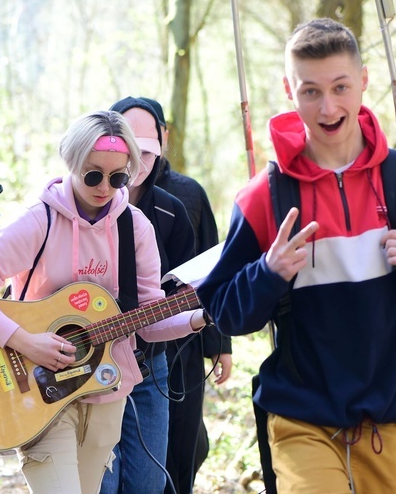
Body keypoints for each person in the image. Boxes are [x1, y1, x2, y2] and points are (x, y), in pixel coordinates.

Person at [197, 18, 396, 493]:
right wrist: (267, 272)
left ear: (363, 81)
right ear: (288, 90)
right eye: (310, 91)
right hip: (302, 416)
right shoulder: (264, 197)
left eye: (341, 87)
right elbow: (223, 309)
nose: (328, 107)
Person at [0, 110, 210, 494]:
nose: (105, 187)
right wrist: (24, 339)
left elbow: (147, 319)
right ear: (71, 163)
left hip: (105, 390)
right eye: (93, 174)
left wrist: (197, 319)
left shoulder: (135, 227)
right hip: (36, 386)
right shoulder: (39, 220)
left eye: (118, 177)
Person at [99, 97, 197, 493]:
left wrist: (209, 331)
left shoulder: (173, 210)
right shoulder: (71, 208)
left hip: (151, 361)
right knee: (101, 481)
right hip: (89, 366)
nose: (138, 160)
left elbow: (191, 283)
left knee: (147, 482)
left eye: (148, 150)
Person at [141, 96, 233, 494]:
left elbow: (216, 267)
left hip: (186, 337)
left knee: (187, 442)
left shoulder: (187, 194)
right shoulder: (106, 190)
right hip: (126, 337)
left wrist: (221, 344)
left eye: (151, 134)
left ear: (163, 136)